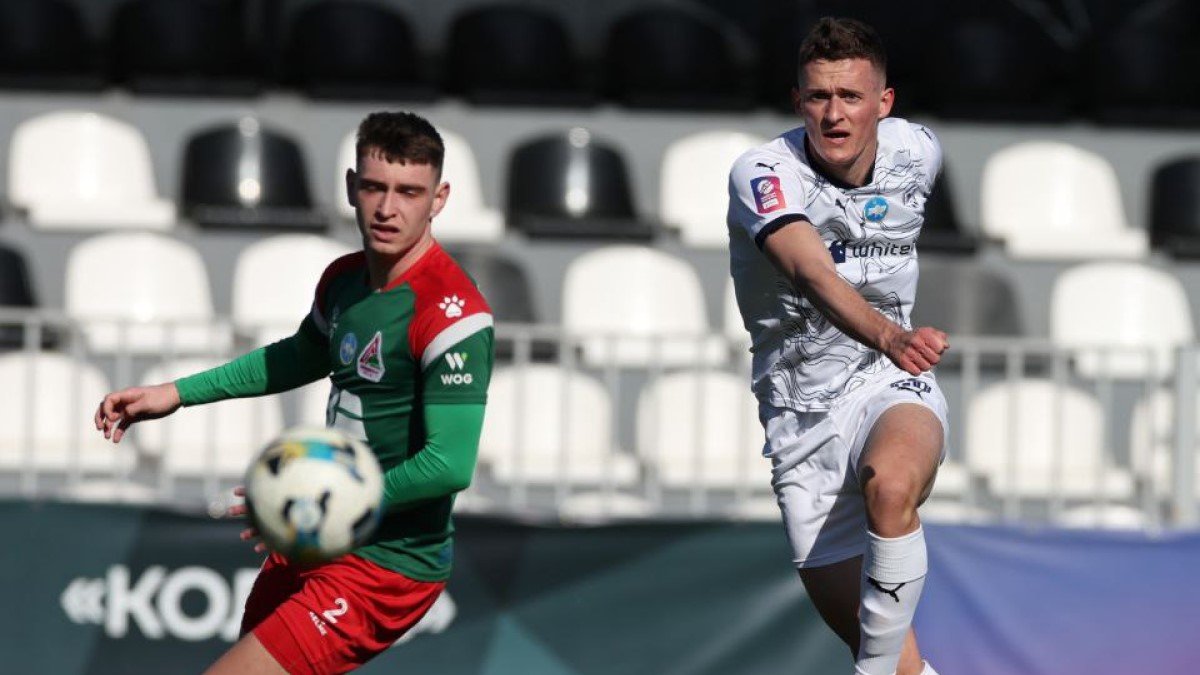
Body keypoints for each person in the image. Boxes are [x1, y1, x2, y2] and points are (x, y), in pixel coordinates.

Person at [94, 111, 494, 674]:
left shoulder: (452, 312)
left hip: (386, 565)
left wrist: (330, 502)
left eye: (409, 192)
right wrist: (177, 392)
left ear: (439, 198)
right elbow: (301, 355)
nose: (388, 208)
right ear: (351, 187)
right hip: (319, 537)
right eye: (375, 187)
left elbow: (448, 465)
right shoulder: (344, 279)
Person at [727, 17, 948, 675]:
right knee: (899, 665)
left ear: (884, 102)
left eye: (851, 96)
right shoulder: (763, 172)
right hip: (801, 420)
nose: (834, 114)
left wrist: (891, 346)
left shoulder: (918, 151)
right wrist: (890, 331)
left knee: (891, 484)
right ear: (798, 100)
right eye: (818, 96)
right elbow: (810, 271)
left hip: (888, 381)